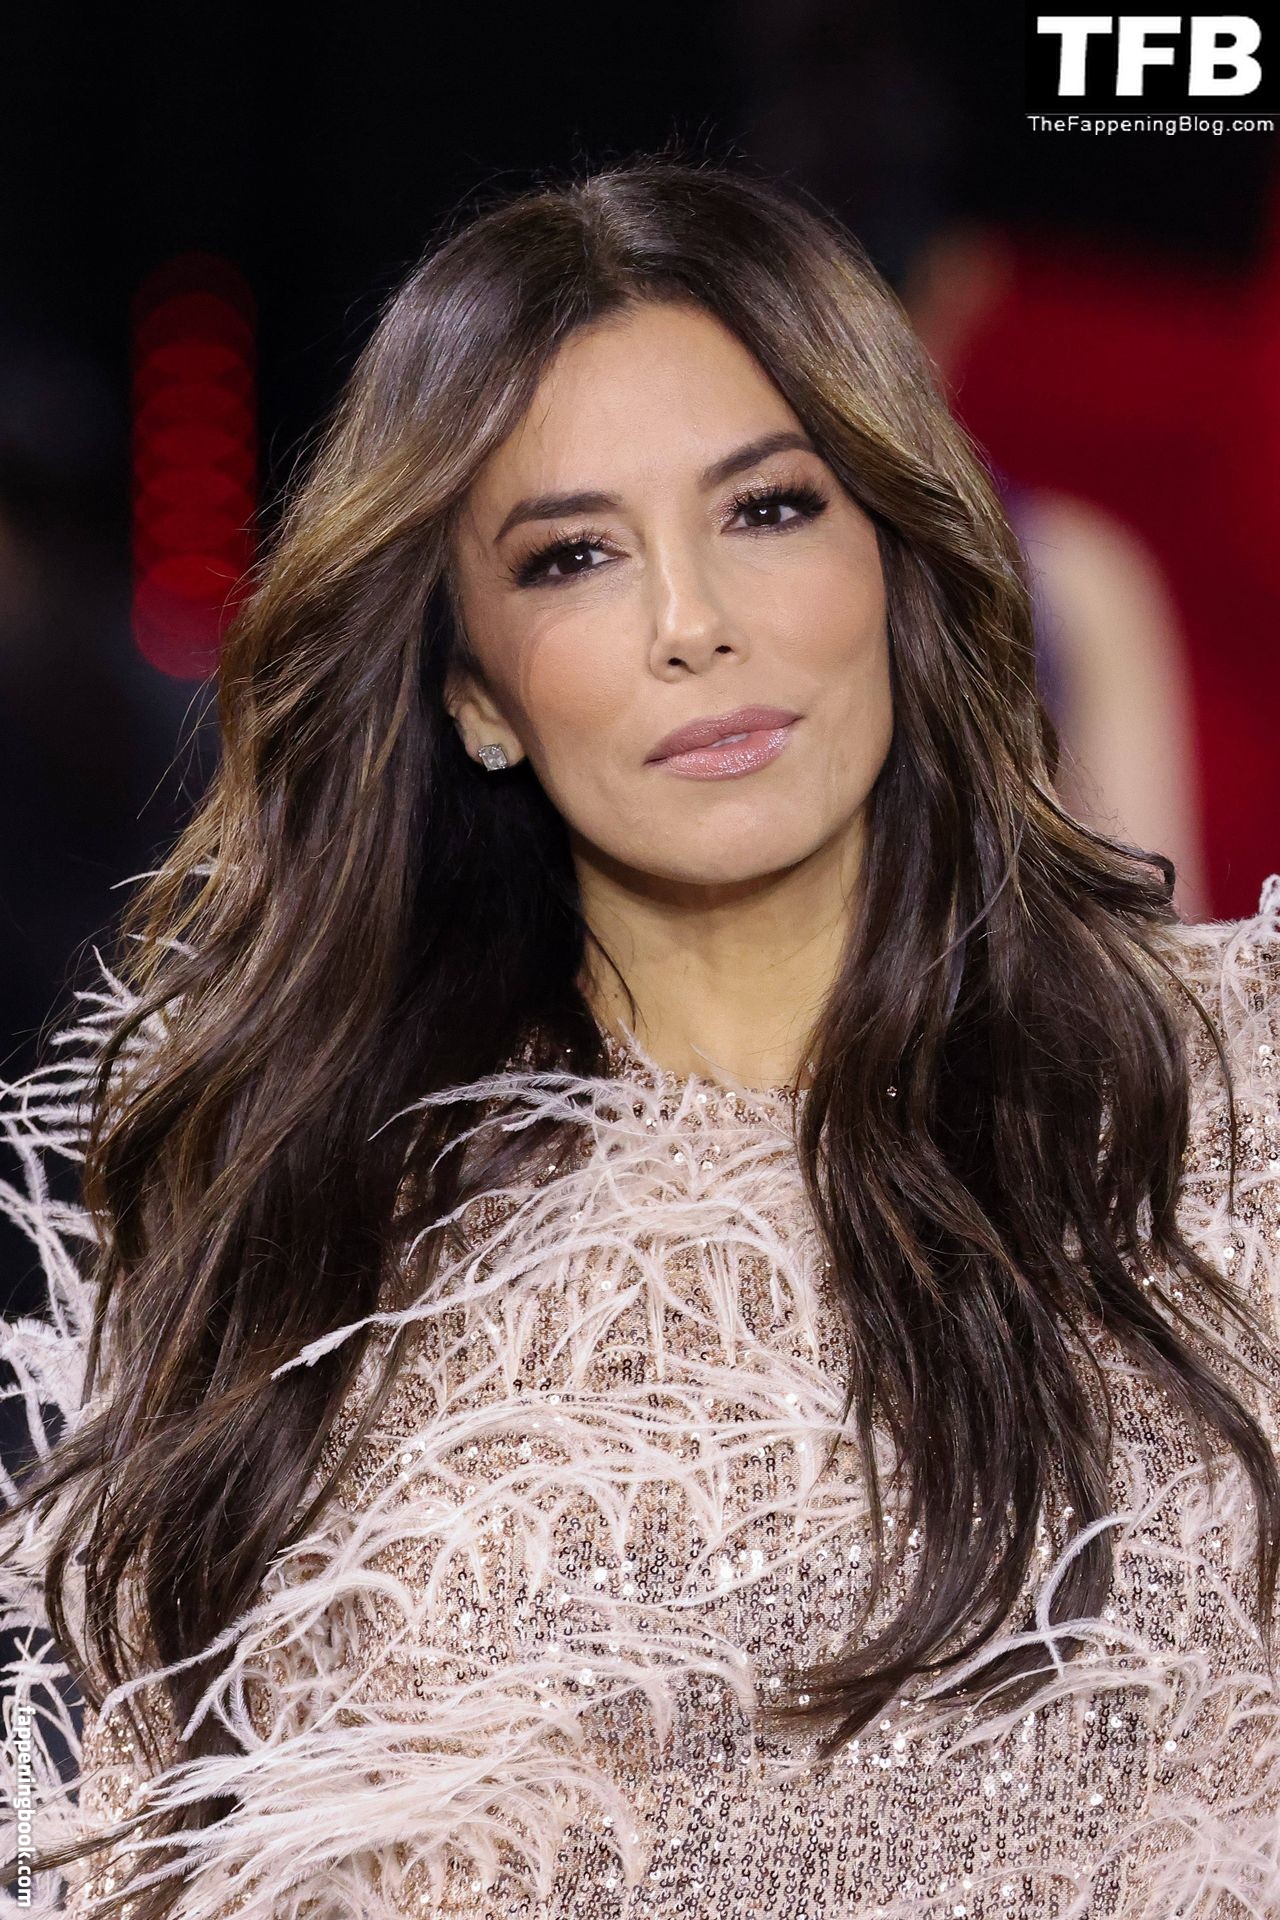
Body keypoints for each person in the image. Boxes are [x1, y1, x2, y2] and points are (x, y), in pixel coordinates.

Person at [1, 152, 1279, 1920]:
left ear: (898, 557)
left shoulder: (1225, 1114)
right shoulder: (321, 1248)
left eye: (769, 510)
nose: (695, 625)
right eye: (576, 556)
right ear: (474, 689)